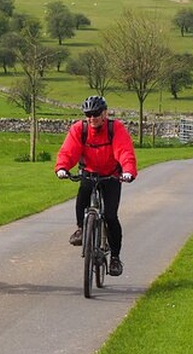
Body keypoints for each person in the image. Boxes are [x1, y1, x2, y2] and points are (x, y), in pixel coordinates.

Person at [55, 95, 137, 276]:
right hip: (89, 173)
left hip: (111, 176)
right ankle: (81, 229)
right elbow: (69, 150)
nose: (92, 118)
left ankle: (115, 257)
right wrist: (62, 167)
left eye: (96, 114)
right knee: (82, 197)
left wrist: (128, 171)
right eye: (88, 114)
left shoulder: (114, 128)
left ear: (104, 113)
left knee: (110, 216)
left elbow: (124, 151)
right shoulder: (80, 129)